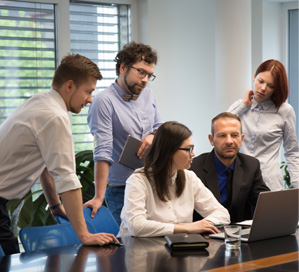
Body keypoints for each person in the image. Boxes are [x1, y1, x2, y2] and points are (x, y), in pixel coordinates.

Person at [0, 54, 118, 255]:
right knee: (9, 261)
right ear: (70, 86)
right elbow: (66, 178)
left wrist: (54, 205)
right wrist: (85, 235)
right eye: (88, 92)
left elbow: (46, 163)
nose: (90, 100)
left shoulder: (40, 102)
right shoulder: (54, 116)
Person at [85, 42, 163, 225]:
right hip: (122, 189)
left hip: (151, 184)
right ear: (123, 67)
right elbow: (102, 151)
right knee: (130, 247)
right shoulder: (103, 101)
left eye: (149, 75)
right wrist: (98, 197)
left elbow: (160, 126)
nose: (145, 80)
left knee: (155, 243)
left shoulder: (148, 95)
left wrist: (153, 135)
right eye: (141, 72)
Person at [118, 121, 230, 237]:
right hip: (137, 250)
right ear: (169, 151)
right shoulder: (138, 180)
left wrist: (203, 224)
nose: (193, 154)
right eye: (188, 149)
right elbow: (136, 227)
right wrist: (186, 227)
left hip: (176, 248)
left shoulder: (189, 177)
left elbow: (222, 214)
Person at [228, 59, 299, 190]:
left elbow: (292, 152)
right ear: (254, 76)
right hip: (239, 181)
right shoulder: (240, 106)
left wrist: (297, 187)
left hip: (269, 182)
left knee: (270, 211)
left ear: (276, 89)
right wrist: (243, 106)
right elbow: (220, 128)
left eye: (271, 86)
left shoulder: (285, 111)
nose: (263, 88)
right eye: (261, 81)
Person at [190, 112, 270, 223]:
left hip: (240, 235)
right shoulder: (193, 168)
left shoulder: (251, 165)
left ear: (241, 139)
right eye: (222, 135)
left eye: (234, 135)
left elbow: (264, 202)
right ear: (211, 139)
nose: (229, 141)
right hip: (205, 234)